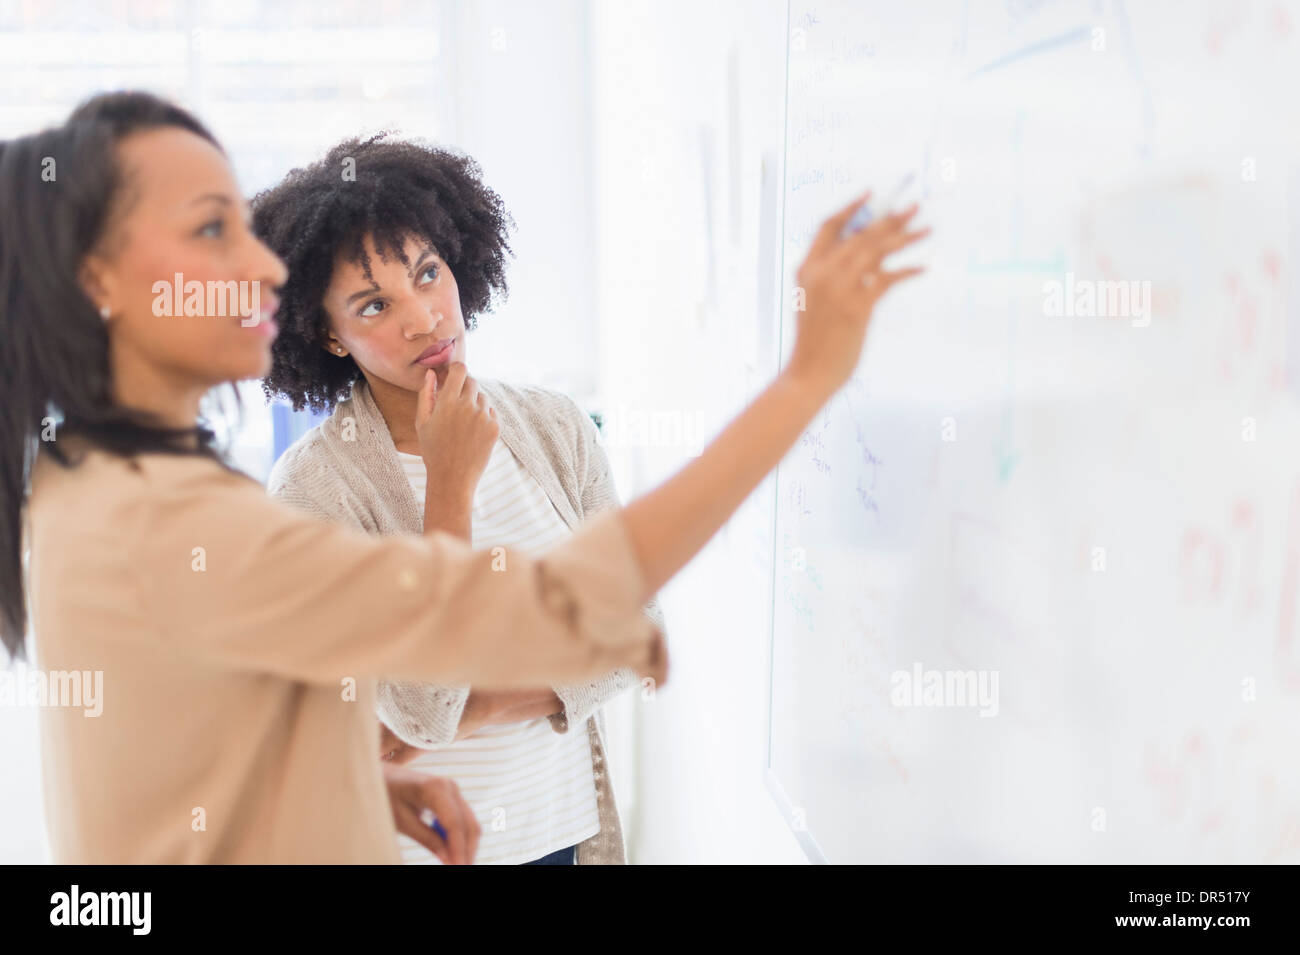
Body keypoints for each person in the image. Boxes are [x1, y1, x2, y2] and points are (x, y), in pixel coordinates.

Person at [0, 92, 927, 863]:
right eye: (211, 230)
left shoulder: (101, 486)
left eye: (428, 274)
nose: (256, 270)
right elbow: (533, 620)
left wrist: (365, 781)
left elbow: (235, 738)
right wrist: (806, 380)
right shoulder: (198, 515)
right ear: (99, 285)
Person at [251, 134, 668, 864]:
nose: (424, 317)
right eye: (375, 303)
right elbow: (422, 702)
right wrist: (448, 488)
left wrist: (483, 702)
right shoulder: (313, 490)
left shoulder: (553, 427)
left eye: (427, 273)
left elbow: (638, 636)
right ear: (330, 335)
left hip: (562, 838)